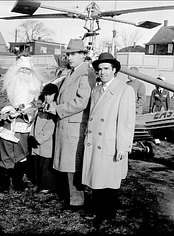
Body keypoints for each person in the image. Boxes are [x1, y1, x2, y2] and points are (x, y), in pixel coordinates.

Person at [81, 52, 136, 229]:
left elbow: (126, 121)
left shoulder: (125, 90)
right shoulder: (96, 90)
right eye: (99, 69)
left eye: (106, 68)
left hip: (110, 143)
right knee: (96, 178)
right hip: (95, 141)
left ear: (114, 70)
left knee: (110, 181)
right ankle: (98, 209)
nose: (102, 72)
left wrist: (123, 147)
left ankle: (108, 213)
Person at [45, 38, 96, 211]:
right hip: (67, 125)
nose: (70, 57)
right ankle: (71, 197)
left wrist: (58, 109)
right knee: (68, 165)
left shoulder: (86, 74)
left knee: (73, 165)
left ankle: (77, 201)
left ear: (83, 55)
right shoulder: (73, 72)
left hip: (74, 126)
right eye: (68, 54)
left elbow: (82, 102)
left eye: (74, 54)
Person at [0, 53, 48, 193]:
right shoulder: (5, 83)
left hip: (25, 124)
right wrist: (8, 109)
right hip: (7, 123)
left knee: (22, 154)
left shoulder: (37, 86)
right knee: (5, 153)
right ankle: (4, 184)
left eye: (27, 70)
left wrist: (28, 109)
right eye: (22, 69)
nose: (24, 72)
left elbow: (39, 102)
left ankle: (18, 182)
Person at [28, 83, 59, 193]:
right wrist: (32, 136)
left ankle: (47, 186)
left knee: (46, 165)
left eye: (50, 95)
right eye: (45, 95)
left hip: (46, 143)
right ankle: (40, 184)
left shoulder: (54, 108)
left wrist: (38, 139)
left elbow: (50, 128)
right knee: (39, 165)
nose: (47, 97)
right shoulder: (42, 106)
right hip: (37, 141)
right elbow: (34, 123)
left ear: (55, 95)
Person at [149, 74, 170, 144]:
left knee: (163, 123)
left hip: (163, 109)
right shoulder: (154, 91)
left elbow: (168, 102)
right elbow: (151, 101)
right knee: (155, 123)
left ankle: (163, 135)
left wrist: (168, 110)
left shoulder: (166, 92)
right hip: (156, 109)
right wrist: (150, 110)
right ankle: (156, 138)